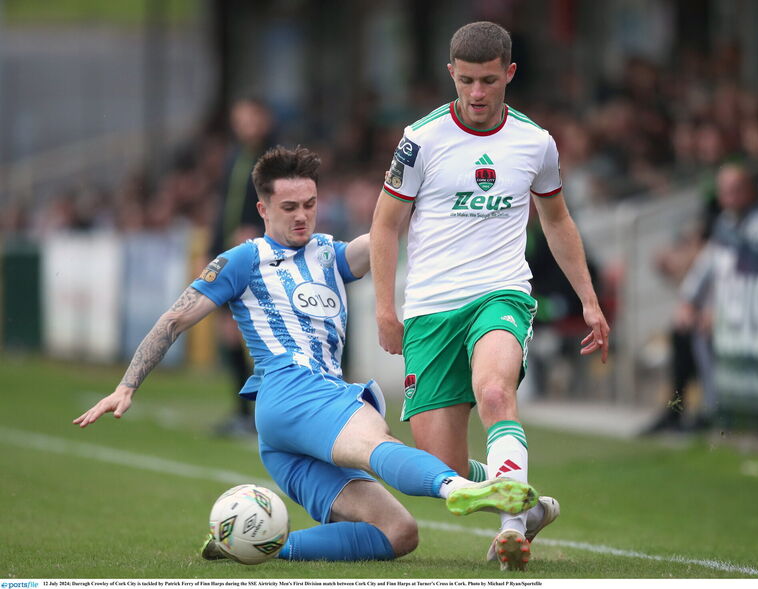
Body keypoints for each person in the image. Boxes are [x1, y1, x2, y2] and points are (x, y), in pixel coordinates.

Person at [73, 145, 537, 563]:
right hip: (293, 391)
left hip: (285, 440)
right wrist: (126, 385)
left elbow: (381, 235)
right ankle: (466, 489)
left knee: (399, 532)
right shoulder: (243, 260)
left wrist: (434, 200)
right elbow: (174, 319)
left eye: (310, 205)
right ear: (263, 208)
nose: (302, 216)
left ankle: (254, 546)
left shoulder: (329, 254)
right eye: (289, 207)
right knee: (379, 443)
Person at [370, 22, 610, 571]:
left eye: (489, 81)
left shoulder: (535, 142)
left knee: (495, 393)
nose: (477, 94)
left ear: (510, 75)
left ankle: (509, 531)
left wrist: (590, 302)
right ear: (450, 74)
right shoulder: (421, 139)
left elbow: (557, 219)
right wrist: (386, 308)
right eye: (467, 81)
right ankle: (525, 505)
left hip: (500, 294)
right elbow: (385, 225)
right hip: (430, 309)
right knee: (440, 469)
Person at [667, 162, 758, 430]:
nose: (730, 197)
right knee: (682, 329)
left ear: (751, 191)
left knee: (706, 331)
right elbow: (707, 266)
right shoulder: (726, 222)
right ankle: (677, 411)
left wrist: (721, 311)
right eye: (725, 190)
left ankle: (717, 410)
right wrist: (687, 300)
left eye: (736, 190)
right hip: (727, 309)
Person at [210, 97, 276, 437]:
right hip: (231, 255)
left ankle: (264, 413)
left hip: (261, 257)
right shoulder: (235, 158)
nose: (244, 124)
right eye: (239, 118)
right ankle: (242, 412)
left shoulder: (274, 159)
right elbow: (223, 208)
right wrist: (211, 250)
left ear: (263, 119)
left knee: (258, 336)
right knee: (229, 333)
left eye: (250, 117)